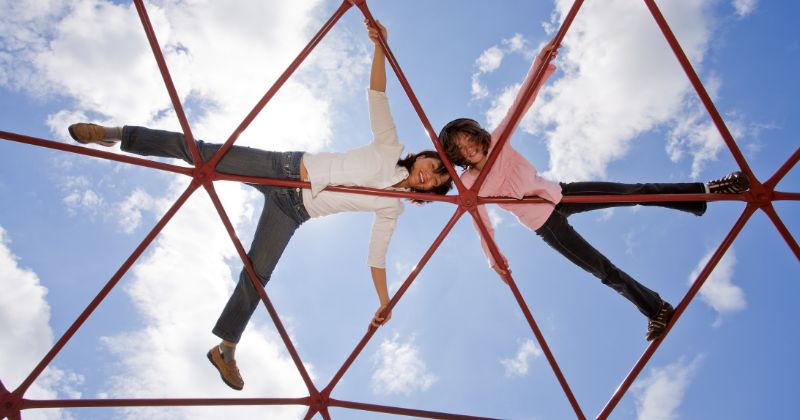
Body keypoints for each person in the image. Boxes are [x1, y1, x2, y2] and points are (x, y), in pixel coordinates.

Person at [68, 20, 452, 390]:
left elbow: (377, 256)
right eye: (433, 168)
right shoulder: (390, 147)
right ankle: (115, 133)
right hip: (283, 167)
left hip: (293, 210)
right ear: (421, 157)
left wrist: (385, 302)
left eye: (436, 183)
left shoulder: (392, 208)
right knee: (201, 152)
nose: (430, 177)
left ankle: (225, 348)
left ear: (429, 194)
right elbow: (377, 97)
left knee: (258, 274)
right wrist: (381, 47)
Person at [438, 39, 750, 341]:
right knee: (601, 268)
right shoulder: (468, 183)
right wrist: (494, 259)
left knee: (635, 192)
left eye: (468, 140)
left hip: (560, 193)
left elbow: (521, 103)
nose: (467, 150)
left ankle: (708, 190)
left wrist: (539, 63)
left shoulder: (497, 141)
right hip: (545, 225)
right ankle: (656, 309)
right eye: (459, 149)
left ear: (477, 134)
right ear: (455, 157)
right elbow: (480, 223)